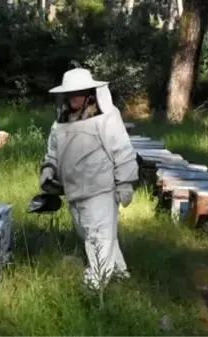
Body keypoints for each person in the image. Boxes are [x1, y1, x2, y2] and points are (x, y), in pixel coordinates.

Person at [39, 68, 139, 288]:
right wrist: (48, 170)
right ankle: (119, 274)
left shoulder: (106, 117)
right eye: (70, 94)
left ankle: (95, 285)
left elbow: (122, 149)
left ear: (89, 93)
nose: (74, 98)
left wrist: (125, 181)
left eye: (79, 93)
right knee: (91, 233)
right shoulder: (62, 121)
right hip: (74, 190)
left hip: (100, 189)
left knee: (98, 236)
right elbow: (53, 152)